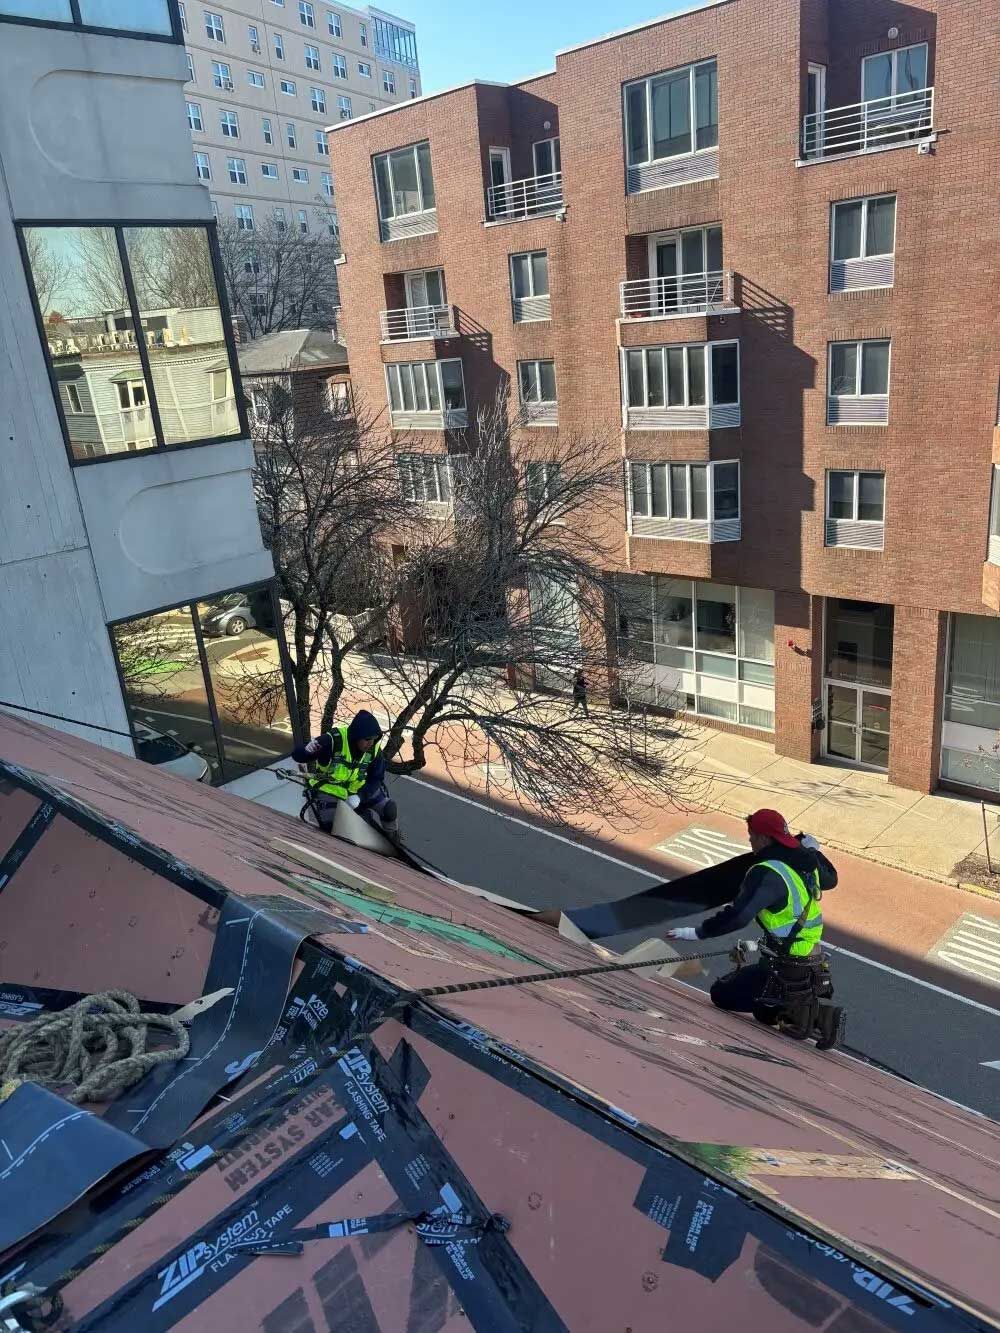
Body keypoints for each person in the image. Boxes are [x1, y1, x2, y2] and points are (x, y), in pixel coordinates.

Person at [667, 808, 844, 1050]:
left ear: (763, 838)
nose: (750, 840)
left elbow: (739, 916)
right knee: (762, 1013)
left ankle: (810, 1013)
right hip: (810, 961)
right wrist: (811, 850)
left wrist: (696, 933)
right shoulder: (805, 861)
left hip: (784, 965)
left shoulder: (767, 873)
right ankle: (796, 1004)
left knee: (721, 994)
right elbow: (830, 879)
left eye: (751, 835)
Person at [292, 709, 398, 836]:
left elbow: (376, 778)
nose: (371, 743)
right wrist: (305, 751)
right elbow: (299, 756)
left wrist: (360, 796)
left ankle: (392, 837)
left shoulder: (373, 749)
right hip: (330, 791)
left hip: (358, 791)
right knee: (338, 828)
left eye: (374, 739)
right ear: (357, 736)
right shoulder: (332, 741)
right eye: (367, 739)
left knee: (389, 809)